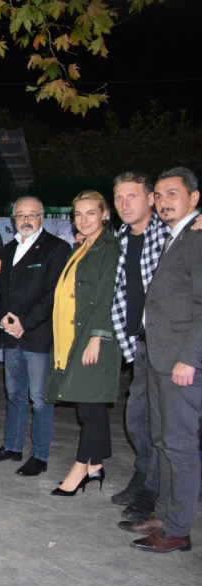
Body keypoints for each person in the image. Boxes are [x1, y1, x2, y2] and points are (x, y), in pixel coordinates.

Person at [121, 167, 202, 553]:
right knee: (163, 440)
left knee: (180, 446)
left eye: (174, 193)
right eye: (160, 194)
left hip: (181, 362)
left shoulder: (197, 239)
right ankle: (165, 514)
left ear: (194, 198)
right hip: (159, 357)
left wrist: (190, 358)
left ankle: (178, 529)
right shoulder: (177, 237)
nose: (165, 201)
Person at [0, 197, 69, 475]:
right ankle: (12, 446)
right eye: (20, 215)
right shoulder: (8, 250)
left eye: (32, 214)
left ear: (42, 217)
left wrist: (25, 323)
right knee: (15, 394)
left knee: (40, 399)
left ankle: (39, 456)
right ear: (13, 219)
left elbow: (54, 294)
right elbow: (1, 291)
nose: (26, 220)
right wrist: (4, 319)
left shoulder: (57, 248)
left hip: (38, 336)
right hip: (11, 334)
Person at [45, 190, 121, 496]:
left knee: (89, 408)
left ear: (104, 214)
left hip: (93, 336)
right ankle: (95, 466)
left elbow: (106, 296)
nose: (84, 220)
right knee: (90, 404)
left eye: (91, 213)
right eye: (78, 214)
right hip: (74, 336)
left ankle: (78, 470)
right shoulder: (81, 247)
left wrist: (97, 338)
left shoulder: (109, 248)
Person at [108, 173, 169, 522]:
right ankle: (144, 475)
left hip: (167, 343)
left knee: (161, 424)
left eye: (132, 196)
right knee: (137, 418)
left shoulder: (170, 234)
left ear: (151, 199)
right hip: (138, 341)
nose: (124, 203)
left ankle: (154, 490)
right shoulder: (119, 239)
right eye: (119, 197)